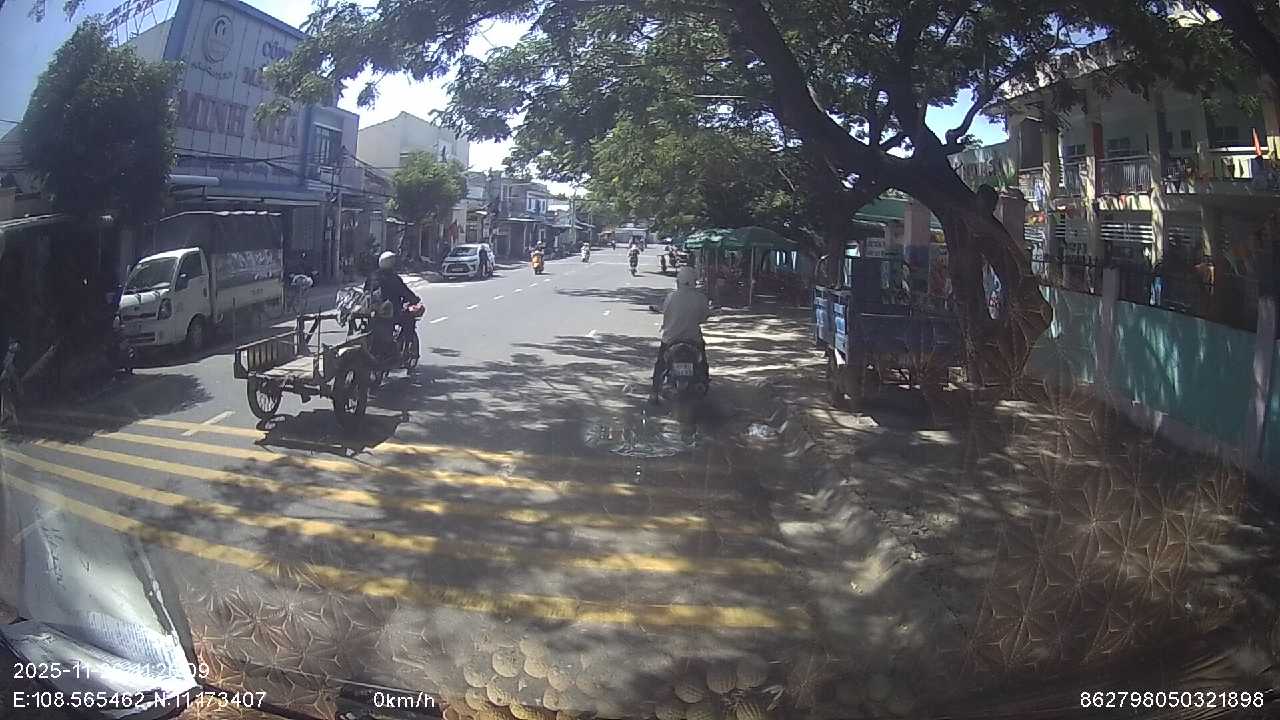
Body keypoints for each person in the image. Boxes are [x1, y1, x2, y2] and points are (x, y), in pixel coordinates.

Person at [650, 267, 711, 404]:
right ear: (694, 282)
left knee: (661, 364)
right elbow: (703, 318)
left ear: (679, 282)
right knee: (702, 363)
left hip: (671, 339)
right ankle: (704, 384)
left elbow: (666, 313)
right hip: (693, 339)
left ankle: (654, 392)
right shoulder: (700, 298)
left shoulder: (671, 297)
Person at [364, 251, 421, 361]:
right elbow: (405, 292)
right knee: (409, 320)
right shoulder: (393, 278)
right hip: (391, 313)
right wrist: (415, 300)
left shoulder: (372, 276)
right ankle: (408, 345)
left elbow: (365, 291)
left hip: (372, 313)